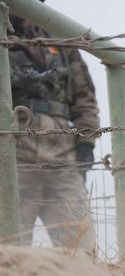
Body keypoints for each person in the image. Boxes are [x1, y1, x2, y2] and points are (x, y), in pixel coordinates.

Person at [8, 1, 99, 249]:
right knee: (9, 249)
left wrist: (86, 145)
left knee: (81, 248)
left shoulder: (58, 37)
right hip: (12, 150)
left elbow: (84, 98)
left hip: (63, 154)